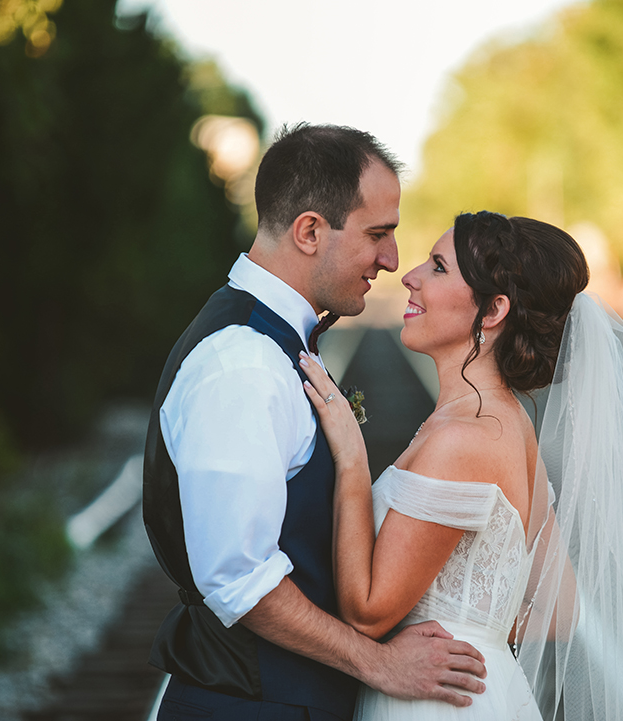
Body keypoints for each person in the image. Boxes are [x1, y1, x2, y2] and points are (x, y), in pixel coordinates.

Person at [299, 211, 623, 720]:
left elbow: (366, 615)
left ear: (493, 310)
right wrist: (476, 625)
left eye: (438, 267)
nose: (410, 276)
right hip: (482, 694)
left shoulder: (463, 440)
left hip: (436, 701)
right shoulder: (510, 423)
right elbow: (559, 607)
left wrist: (352, 464)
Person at [142, 124, 487, 721]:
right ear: (309, 231)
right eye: (378, 234)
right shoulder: (242, 361)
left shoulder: (272, 344)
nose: (392, 261)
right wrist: (380, 665)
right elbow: (238, 578)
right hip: (250, 706)